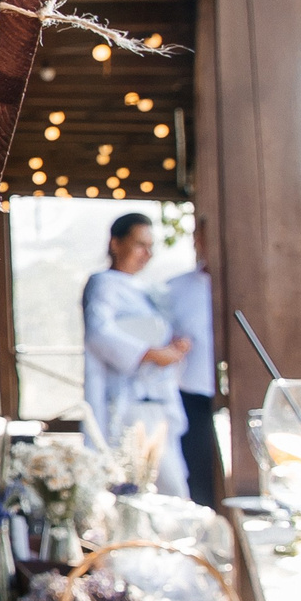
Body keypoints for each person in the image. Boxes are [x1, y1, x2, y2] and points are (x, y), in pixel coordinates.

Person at [84, 212, 191, 495]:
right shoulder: (103, 283)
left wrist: (174, 348)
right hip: (127, 404)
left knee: (171, 485)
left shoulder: (148, 291)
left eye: (151, 247)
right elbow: (99, 333)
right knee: (144, 485)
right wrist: (151, 354)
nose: (147, 254)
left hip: (158, 400)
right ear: (116, 243)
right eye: (140, 244)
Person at [168, 216, 220, 506]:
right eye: (200, 236)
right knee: (198, 485)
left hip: (244, 401)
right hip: (192, 399)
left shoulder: (253, 285)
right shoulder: (174, 289)